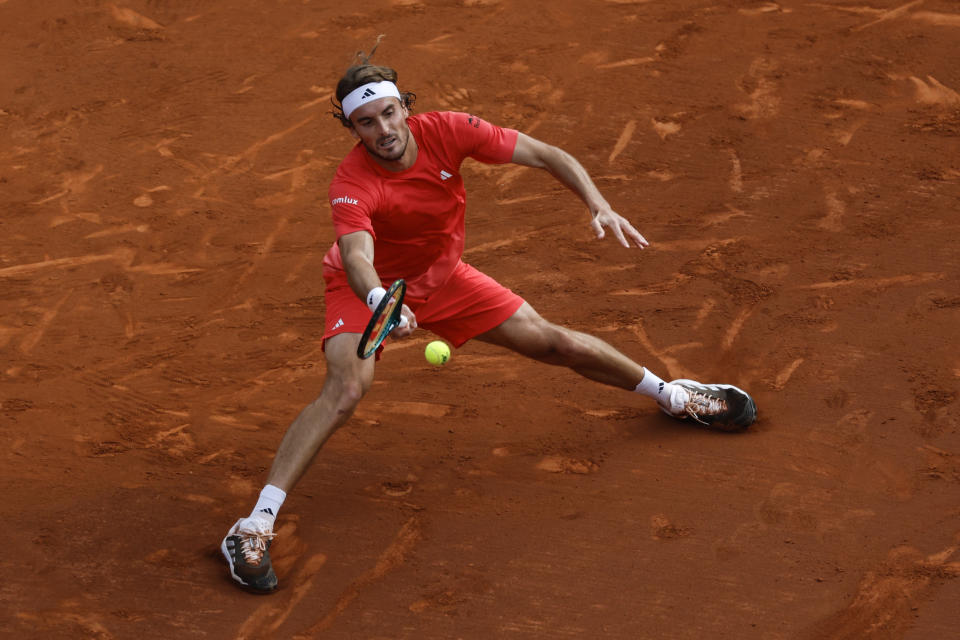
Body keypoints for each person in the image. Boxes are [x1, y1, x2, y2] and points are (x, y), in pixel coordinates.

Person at [220, 57, 758, 593]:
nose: (383, 131)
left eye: (389, 114)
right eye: (367, 122)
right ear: (352, 127)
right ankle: (254, 525)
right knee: (346, 388)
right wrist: (384, 300)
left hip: (443, 277)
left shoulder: (449, 130)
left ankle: (673, 395)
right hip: (369, 289)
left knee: (553, 342)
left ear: (406, 107)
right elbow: (357, 255)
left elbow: (546, 155)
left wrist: (599, 204)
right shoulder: (351, 181)